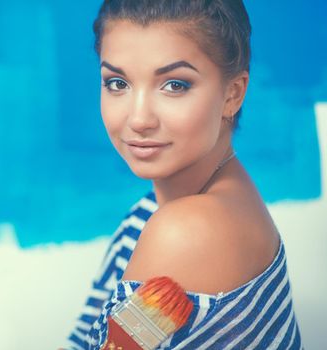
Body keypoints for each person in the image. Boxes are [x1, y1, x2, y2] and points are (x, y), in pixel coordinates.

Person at [63, 0, 303, 349]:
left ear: (232, 94)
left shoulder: (188, 231)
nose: (139, 118)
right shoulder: (172, 202)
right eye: (117, 83)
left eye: (175, 85)